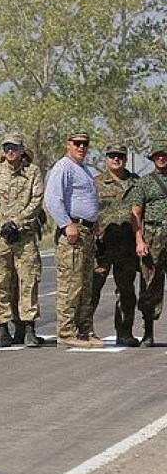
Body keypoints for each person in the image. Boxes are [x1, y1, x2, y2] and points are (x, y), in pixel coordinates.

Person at [0, 134, 44, 348]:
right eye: (7, 147)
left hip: (24, 236)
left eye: (15, 147)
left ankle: (28, 328)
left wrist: (16, 223)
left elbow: (37, 200)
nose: (11, 151)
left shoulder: (32, 172)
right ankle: (1, 330)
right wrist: (2, 224)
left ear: (21, 149)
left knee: (28, 281)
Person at [44, 131, 100, 348]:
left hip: (86, 232)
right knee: (70, 285)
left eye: (85, 144)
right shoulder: (63, 167)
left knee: (85, 285)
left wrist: (94, 220)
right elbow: (53, 199)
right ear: (68, 144)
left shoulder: (83, 169)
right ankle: (66, 333)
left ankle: (84, 331)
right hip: (72, 233)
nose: (81, 147)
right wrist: (66, 224)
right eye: (77, 143)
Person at [90, 144, 140, 347]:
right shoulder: (96, 183)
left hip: (126, 245)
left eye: (120, 156)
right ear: (106, 159)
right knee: (93, 288)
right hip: (102, 245)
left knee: (126, 290)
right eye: (112, 156)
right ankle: (85, 331)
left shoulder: (136, 183)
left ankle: (125, 332)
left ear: (125, 159)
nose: (116, 159)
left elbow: (140, 212)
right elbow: (89, 209)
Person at [130, 140, 167, 347]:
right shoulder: (144, 182)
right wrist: (139, 239)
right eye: (158, 155)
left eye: (165, 154)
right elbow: (136, 212)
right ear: (153, 158)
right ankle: (148, 331)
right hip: (153, 234)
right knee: (150, 282)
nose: (162, 158)